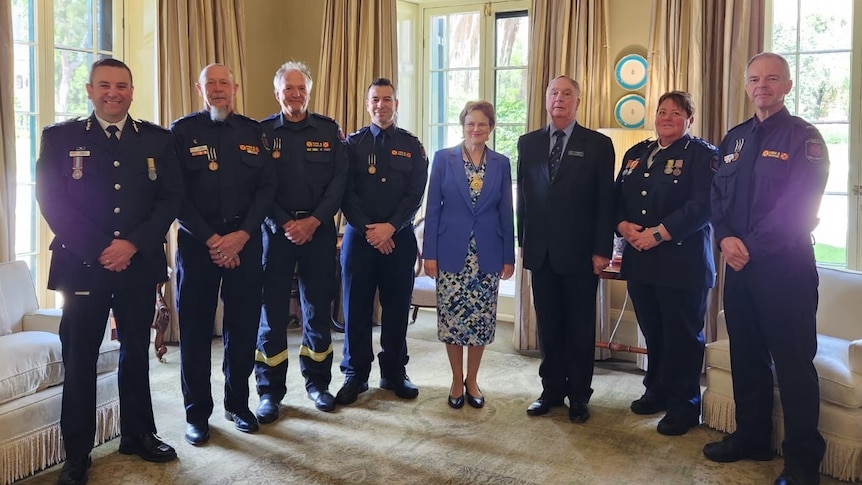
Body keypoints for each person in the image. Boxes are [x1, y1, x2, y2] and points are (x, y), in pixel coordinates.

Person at [35, 58, 182, 485]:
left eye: (121, 85)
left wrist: (131, 244)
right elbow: (51, 200)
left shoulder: (156, 139)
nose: (112, 92)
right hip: (82, 266)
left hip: (137, 264)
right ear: (89, 90)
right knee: (79, 358)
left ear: (132, 91)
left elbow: (170, 198)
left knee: (136, 352)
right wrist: (101, 248)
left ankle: (138, 433)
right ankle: (77, 453)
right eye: (104, 85)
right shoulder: (60, 137)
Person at [704, 52, 829, 485]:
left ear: (787, 86)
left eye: (772, 79)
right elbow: (716, 199)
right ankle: (752, 437)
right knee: (747, 357)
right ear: (745, 85)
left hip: (786, 269)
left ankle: (801, 464)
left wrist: (747, 247)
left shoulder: (805, 139)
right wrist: (723, 237)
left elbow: (798, 206)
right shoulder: (732, 140)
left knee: (794, 364)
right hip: (739, 269)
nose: (763, 86)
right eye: (755, 79)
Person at [171, 63, 276, 445]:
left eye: (224, 83)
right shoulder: (181, 132)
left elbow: (267, 189)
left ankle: (238, 403)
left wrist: (241, 235)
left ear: (236, 87)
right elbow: (175, 194)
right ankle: (197, 413)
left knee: (244, 328)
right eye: (210, 83)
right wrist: (215, 239)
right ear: (199, 88)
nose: (218, 89)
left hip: (246, 244)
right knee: (196, 332)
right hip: (199, 246)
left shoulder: (255, 132)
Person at [613, 91, 717, 436]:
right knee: (654, 332)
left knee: (682, 336)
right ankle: (655, 390)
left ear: (690, 119)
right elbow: (618, 198)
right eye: (661, 112)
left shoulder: (702, 155)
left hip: (682, 262)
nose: (667, 117)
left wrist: (659, 233)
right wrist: (622, 225)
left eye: (676, 112)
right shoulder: (636, 153)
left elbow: (703, 205)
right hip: (641, 260)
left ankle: (684, 405)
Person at [517, 75, 615, 423]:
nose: (560, 98)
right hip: (541, 252)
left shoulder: (598, 144)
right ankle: (551, 390)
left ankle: (579, 395)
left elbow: (607, 202)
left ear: (578, 101)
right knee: (549, 325)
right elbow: (523, 199)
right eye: (554, 93)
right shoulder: (527, 143)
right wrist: (522, 242)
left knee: (579, 326)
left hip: (581, 254)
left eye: (567, 93)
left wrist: (602, 249)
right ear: (546, 100)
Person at [254, 61, 348, 421]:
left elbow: (339, 182)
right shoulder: (261, 133)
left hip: (318, 231)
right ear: (277, 93)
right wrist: (284, 222)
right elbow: (258, 187)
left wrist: (313, 221)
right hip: (275, 233)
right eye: (288, 89)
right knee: (272, 312)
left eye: (301, 89)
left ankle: (318, 384)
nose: (295, 95)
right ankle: (269, 391)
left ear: (309, 92)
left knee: (316, 310)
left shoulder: (328, 130)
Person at [336, 78, 429, 405]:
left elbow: (415, 194)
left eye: (387, 99)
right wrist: (370, 230)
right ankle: (355, 374)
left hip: (399, 239)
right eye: (375, 99)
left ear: (396, 104)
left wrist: (390, 228)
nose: (381, 105)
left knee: (396, 308)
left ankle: (394, 372)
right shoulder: (352, 145)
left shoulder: (412, 146)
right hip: (358, 239)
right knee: (356, 308)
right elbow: (344, 192)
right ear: (367, 104)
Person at [422, 100, 515, 409]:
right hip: (450, 253)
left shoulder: (501, 163)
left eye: (482, 124)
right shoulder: (443, 159)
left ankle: (472, 379)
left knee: (480, 322)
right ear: (462, 126)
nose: (476, 129)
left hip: (486, 254)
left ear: (491, 128)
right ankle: (455, 378)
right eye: (470, 123)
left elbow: (506, 212)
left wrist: (508, 257)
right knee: (452, 321)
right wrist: (429, 253)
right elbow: (432, 209)